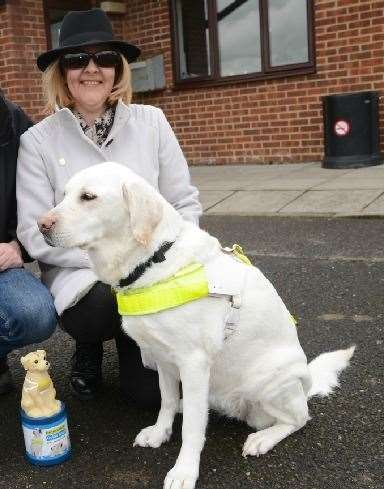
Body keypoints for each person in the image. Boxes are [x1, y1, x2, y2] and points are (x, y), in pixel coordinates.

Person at [16, 9, 202, 407]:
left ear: (118, 69)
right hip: (83, 277)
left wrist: (164, 258)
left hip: (155, 267)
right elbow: (35, 233)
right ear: (61, 72)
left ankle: (140, 342)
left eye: (104, 58)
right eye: (77, 59)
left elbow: (183, 202)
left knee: (150, 397)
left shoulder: (153, 122)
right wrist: (116, 263)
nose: (91, 69)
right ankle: (91, 343)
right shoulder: (38, 141)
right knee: (100, 307)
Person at [0, 94, 57, 395]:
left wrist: (16, 245)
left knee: (34, 312)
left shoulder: (10, 120)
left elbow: (40, 195)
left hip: (1, 258)